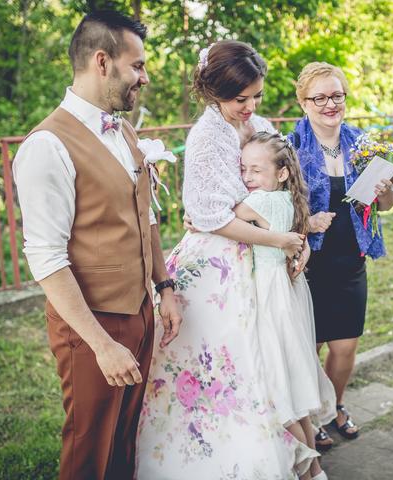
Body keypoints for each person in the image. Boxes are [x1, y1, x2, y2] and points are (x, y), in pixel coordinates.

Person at [13, 11, 182, 479]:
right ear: (102, 62)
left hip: (139, 312)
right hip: (92, 326)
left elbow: (145, 214)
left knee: (126, 440)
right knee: (90, 450)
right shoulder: (46, 146)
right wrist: (102, 345)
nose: (145, 78)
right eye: (138, 66)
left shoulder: (123, 130)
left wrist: (164, 287)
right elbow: (47, 260)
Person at [135, 41, 310, 479]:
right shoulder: (205, 139)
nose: (250, 107)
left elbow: (285, 192)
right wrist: (278, 239)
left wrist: (298, 239)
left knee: (272, 363)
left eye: (257, 96)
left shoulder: (262, 127)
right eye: (240, 99)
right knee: (230, 364)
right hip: (219, 267)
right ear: (214, 93)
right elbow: (212, 218)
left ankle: (296, 448)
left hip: (265, 262)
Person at [289, 62, 393, 447]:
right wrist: (306, 222)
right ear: (304, 102)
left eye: (337, 96)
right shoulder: (290, 147)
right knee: (310, 347)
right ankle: (312, 417)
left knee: (345, 346)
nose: (330, 104)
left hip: (350, 258)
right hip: (308, 263)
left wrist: (386, 192)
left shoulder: (364, 144)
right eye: (320, 98)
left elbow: (385, 205)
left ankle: (336, 406)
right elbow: (274, 206)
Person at [233, 132, 337, 480]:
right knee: (294, 398)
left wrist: (195, 218)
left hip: (268, 295)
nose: (247, 177)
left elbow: (221, 218)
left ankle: (305, 470)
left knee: (278, 394)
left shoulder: (260, 201)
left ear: (281, 173)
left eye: (256, 170)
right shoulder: (287, 200)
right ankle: (315, 472)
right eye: (244, 169)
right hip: (285, 290)